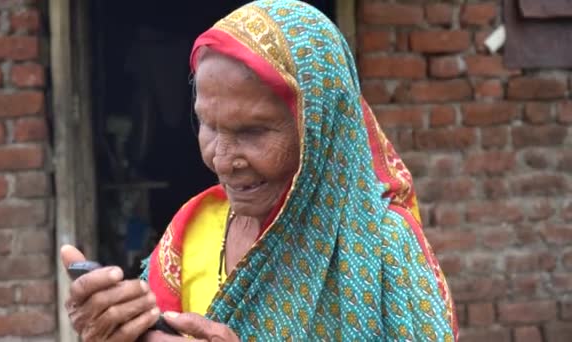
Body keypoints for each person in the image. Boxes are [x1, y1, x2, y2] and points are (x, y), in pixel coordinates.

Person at [61, 0, 459, 340]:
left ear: (320, 129)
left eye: (252, 131)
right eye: (209, 125)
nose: (222, 158)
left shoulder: (383, 251)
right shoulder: (194, 230)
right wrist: (111, 328)